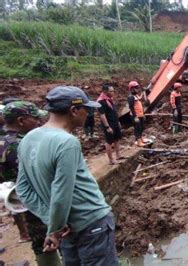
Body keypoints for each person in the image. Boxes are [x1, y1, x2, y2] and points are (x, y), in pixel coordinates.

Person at [16, 86, 118, 265]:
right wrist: (55, 228)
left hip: (65, 230)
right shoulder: (66, 142)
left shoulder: (27, 140)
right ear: (74, 110)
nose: (88, 114)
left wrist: (51, 222)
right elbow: (61, 192)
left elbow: (23, 190)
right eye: (87, 109)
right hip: (91, 223)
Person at [0, 101, 61, 265]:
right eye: (35, 118)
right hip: (38, 202)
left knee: (39, 241)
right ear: (21, 121)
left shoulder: (3, 143)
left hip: (19, 201)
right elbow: (39, 177)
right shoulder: (21, 145)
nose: (39, 122)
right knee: (50, 240)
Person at [98, 84, 124, 164]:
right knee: (109, 141)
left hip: (115, 122)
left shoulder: (109, 99)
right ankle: (111, 160)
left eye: (113, 91)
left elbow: (114, 111)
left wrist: (118, 121)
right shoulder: (100, 101)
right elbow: (102, 115)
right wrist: (107, 127)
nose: (113, 92)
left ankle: (118, 155)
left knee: (117, 139)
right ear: (105, 91)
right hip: (109, 124)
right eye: (111, 91)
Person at [128, 81, 148, 147]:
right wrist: (135, 117)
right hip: (136, 116)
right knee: (137, 128)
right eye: (136, 88)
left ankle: (141, 138)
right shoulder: (131, 97)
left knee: (141, 127)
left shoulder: (135, 95)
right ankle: (138, 141)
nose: (137, 89)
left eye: (137, 88)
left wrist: (144, 92)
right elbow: (131, 107)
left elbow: (140, 98)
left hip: (140, 115)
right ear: (131, 89)